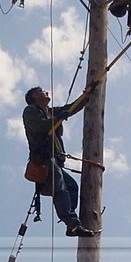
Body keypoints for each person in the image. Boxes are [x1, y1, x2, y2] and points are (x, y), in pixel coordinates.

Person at [23, 86, 94, 237]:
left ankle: (70, 219)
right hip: (45, 159)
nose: (46, 92)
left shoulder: (50, 112)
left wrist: (87, 95)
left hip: (55, 161)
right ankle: (72, 223)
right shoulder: (30, 111)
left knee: (71, 187)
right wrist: (58, 118)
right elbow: (39, 126)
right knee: (60, 188)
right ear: (35, 96)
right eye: (41, 90)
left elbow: (71, 108)